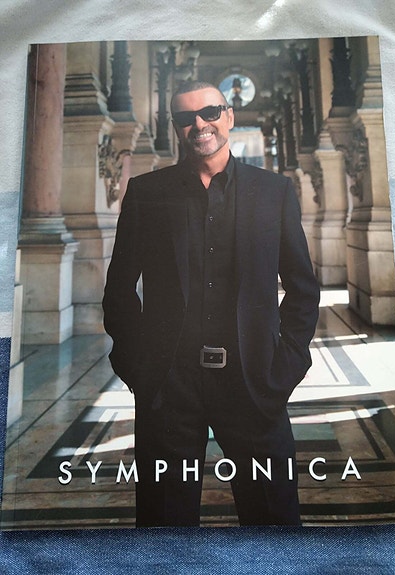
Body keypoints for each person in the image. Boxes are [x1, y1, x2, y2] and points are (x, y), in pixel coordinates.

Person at [102, 80, 320, 527]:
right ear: (175, 127)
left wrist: (287, 366)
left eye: (210, 113)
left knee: (274, 521)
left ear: (229, 116)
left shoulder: (274, 192)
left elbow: (303, 288)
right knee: (164, 527)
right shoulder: (147, 193)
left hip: (255, 381)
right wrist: (138, 368)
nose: (199, 124)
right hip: (169, 385)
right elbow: (119, 289)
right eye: (186, 118)